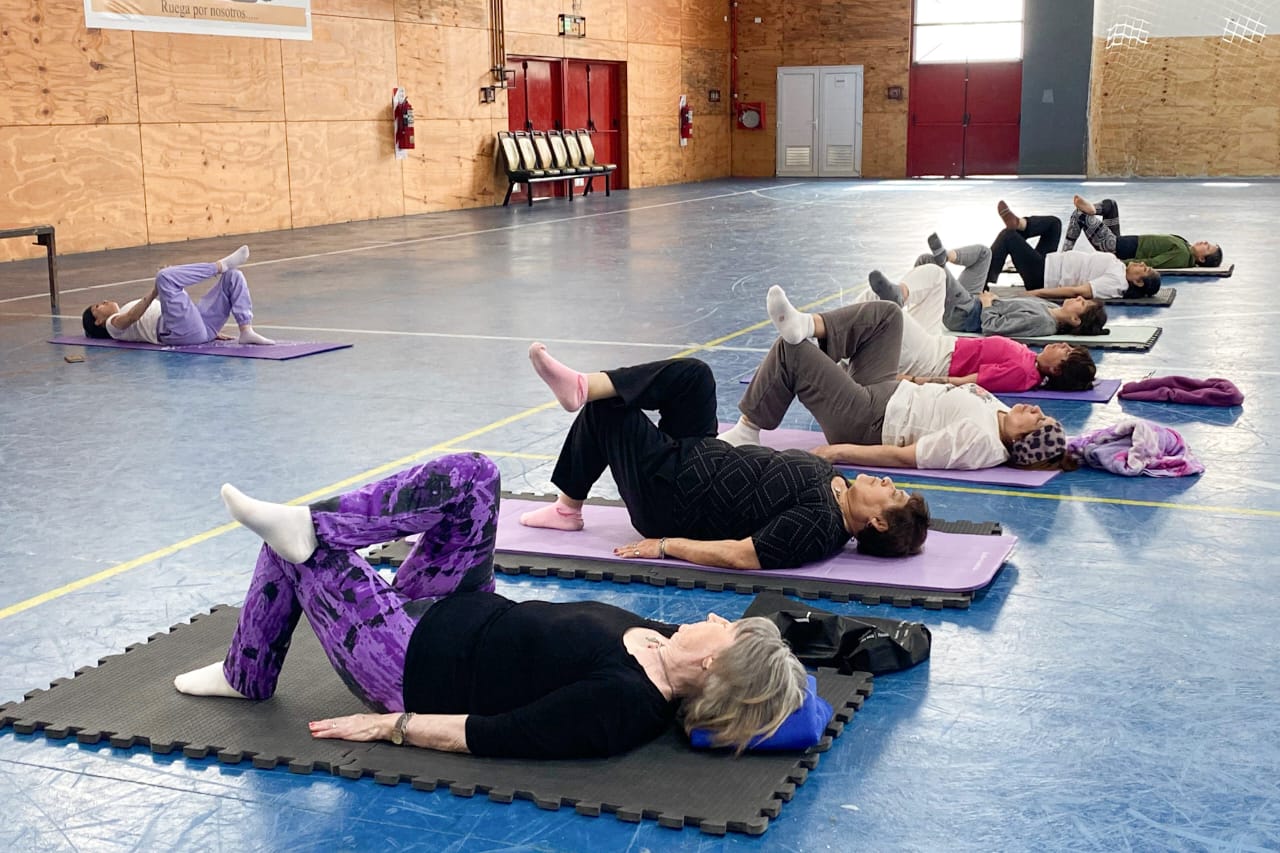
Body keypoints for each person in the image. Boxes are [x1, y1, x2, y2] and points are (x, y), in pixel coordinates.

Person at [172, 452, 809, 759]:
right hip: (458, 604)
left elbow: (495, 734)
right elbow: (789, 683)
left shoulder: (626, 705)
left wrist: (389, 725)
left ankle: (247, 669)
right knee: (476, 476)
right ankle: (308, 540)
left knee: (300, 552)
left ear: (713, 672)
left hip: (402, 665)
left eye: (728, 632)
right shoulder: (665, 640)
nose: (718, 618)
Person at [517, 346, 929, 568]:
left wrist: (664, 546)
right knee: (695, 376)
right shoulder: (836, 483)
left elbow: (740, 554)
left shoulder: (817, 527)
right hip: (696, 456)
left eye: (892, 496)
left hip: (671, 496)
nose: (888, 483)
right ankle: (584, 384)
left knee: (609, 410)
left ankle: (568, 508)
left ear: (876, 521)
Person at [719, 295, 1076, 473]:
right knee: (888, 315)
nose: (1037, 409)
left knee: (791, 352)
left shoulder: (980, 443)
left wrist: (837, 452)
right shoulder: (1000, 414)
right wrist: (915, 380)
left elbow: (907, 457)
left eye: (1039, 421)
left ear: (1021, 441)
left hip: (868, 421)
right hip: (888, 391)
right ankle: (809, 324)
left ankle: (747, 430)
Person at [782, 283, 1095, 393]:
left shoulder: (1023, 374)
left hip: (934, 359)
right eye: (1067, 344)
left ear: (1056, 370)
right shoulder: (1029, 361)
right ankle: (830, 349)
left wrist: (912, 380)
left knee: (883, 311)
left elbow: (967, 383)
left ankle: (812, 329)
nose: (1061, 345)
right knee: (922, 282)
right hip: (940, 344)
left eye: (1065, 352)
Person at [869, 235, 1109, 339]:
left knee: (925, 262)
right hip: (976, 300)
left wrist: (987, 304)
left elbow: (994, 328)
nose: (1079, 298)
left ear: (1076, 320)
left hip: (968, 314)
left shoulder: (1044, 323)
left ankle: (900, 295)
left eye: (1083, 304)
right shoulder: (1048, 307)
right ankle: (947, 256)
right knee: (984, 253)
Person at [82, 245, 274, 346]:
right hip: (178, 332)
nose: (104, 301)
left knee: (233, 276)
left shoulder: (121, 312)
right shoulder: (112, 325)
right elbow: (132, 317)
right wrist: (157, 289)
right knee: (164, 276)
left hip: (197, 326)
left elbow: (175, 308)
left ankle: (246, 331)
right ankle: (218, 266)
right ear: (98, 321)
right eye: (98, 306)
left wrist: (210, 332)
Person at [987, 200, 1162, 298]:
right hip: (1050, 262)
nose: (1141, 263)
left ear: (1138, 282)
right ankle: (1019, 224)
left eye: (1144, 269)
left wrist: (1035, 293)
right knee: (1053, 224)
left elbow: (1078, 291)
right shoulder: (1121, 269)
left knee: (1008, 237)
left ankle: (983, 283)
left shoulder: (1117, 283)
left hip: (1043, 276)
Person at [1063, 195, 1222, 269]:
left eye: (1208, 248)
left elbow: (1153, 263)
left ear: (1201, 259)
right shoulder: (1185, 245)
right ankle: (1092, 209)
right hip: (1120, 240)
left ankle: (1064, 255)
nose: (1205, 242)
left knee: (1080, 215)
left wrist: (1115, 264)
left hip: (1115, 248)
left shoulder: (1182, 256)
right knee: (1111, 205)